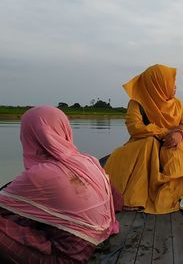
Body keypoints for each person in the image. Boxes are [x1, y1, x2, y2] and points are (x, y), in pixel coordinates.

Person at [0, 106, 122, 264]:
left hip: (66, 257)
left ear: (30, 136)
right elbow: (117, 201)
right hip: (97, 237)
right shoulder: (88, 161)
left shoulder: (40, 174)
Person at [104, 64, 183, 214]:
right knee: (148, 144)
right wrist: (165, 133)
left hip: (171, 145)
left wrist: (180, 135)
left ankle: (162, 192)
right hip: (142, 145)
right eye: (171, 83)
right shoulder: (137, 102)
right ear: (158, 85)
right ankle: (133, 198)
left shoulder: (178, 104)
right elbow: (135, 127)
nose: (175, 87)